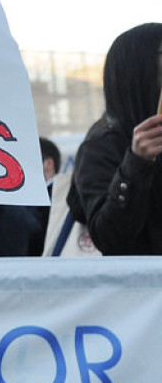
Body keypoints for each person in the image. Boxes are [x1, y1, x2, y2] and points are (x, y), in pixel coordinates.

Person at [67, 22, 162, 254]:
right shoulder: (102, 146)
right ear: (139, 68)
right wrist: (137, 164)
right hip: (144, 287)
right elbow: (110, 238)